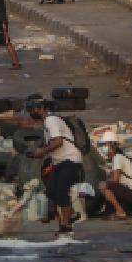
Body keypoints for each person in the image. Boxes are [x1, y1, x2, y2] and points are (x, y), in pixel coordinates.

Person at [26, 96, 83, 235]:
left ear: (41, 108)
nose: (31, 113)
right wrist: (38, 152)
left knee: (62, 191)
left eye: (33, 109)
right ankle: (72, 214)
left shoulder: (51, 121)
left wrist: (42, 151)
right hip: (59, 162)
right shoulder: (48, 123)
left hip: (70, 160)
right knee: (51, 191)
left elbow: (58, 142)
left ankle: (65, 225)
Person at [96, 132, 132, 220]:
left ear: (112, 144)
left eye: (105, 144)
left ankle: (120, 212)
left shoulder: (118, 158)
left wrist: (108, 177)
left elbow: (115, 181)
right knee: (107, 186)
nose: (103, 147)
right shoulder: (118, 158)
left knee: (102, 185)